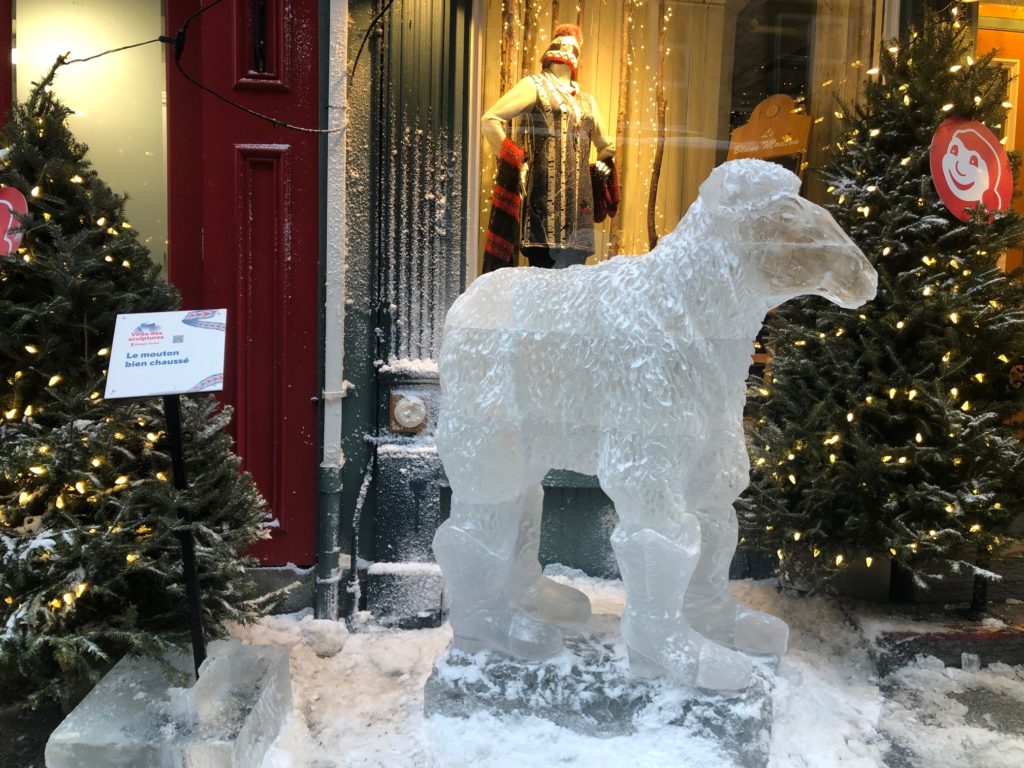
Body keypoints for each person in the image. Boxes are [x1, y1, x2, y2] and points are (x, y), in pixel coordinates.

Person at [482, 24, 616, 271]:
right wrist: (515, 161)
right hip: (542, 215)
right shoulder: (534, 86)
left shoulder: (587, 101)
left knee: (574, 294)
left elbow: (607, 146)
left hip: (580, 220)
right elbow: (490, 120)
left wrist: (600, 169)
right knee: (543, 291)